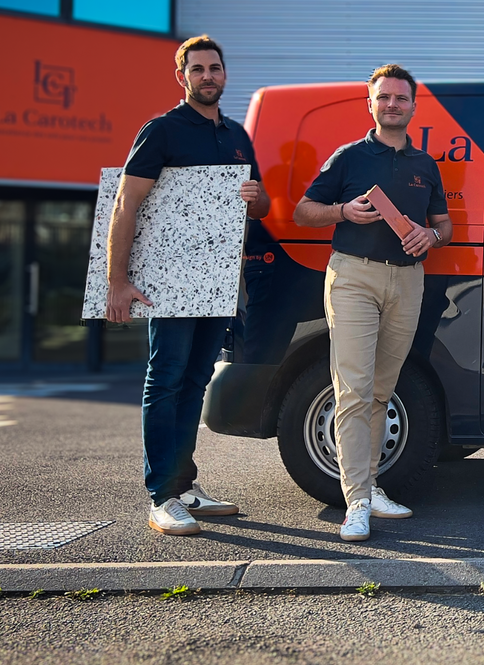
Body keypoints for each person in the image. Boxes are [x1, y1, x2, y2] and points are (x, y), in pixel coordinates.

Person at [108, 35, 271, 537]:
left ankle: (184, 486)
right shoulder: (162, 131)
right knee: (167, 379)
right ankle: (161, 496)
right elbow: (125, 204)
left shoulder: (238, 136)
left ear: (225, 74)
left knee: (197, 379)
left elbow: (260, 210)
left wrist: (256, 196)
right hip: (170, 279)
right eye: (197, 68)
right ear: (182, 76)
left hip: (218, 277)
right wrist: (118, 280)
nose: (207, 76)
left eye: (215, 68)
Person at [293, 64, 452, 541]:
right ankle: (356, 502)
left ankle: (372, 484)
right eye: (384, 98)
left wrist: (431, 236)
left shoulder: (426, 164)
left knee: (383, 389)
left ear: (413, 107)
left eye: (401, 99)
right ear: (371, 103)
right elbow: (303, 212)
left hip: (407, 281)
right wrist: (344, 211)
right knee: (354, 390)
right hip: (354, 278)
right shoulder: (347, 157)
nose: (392, 105)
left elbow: (444, 226)